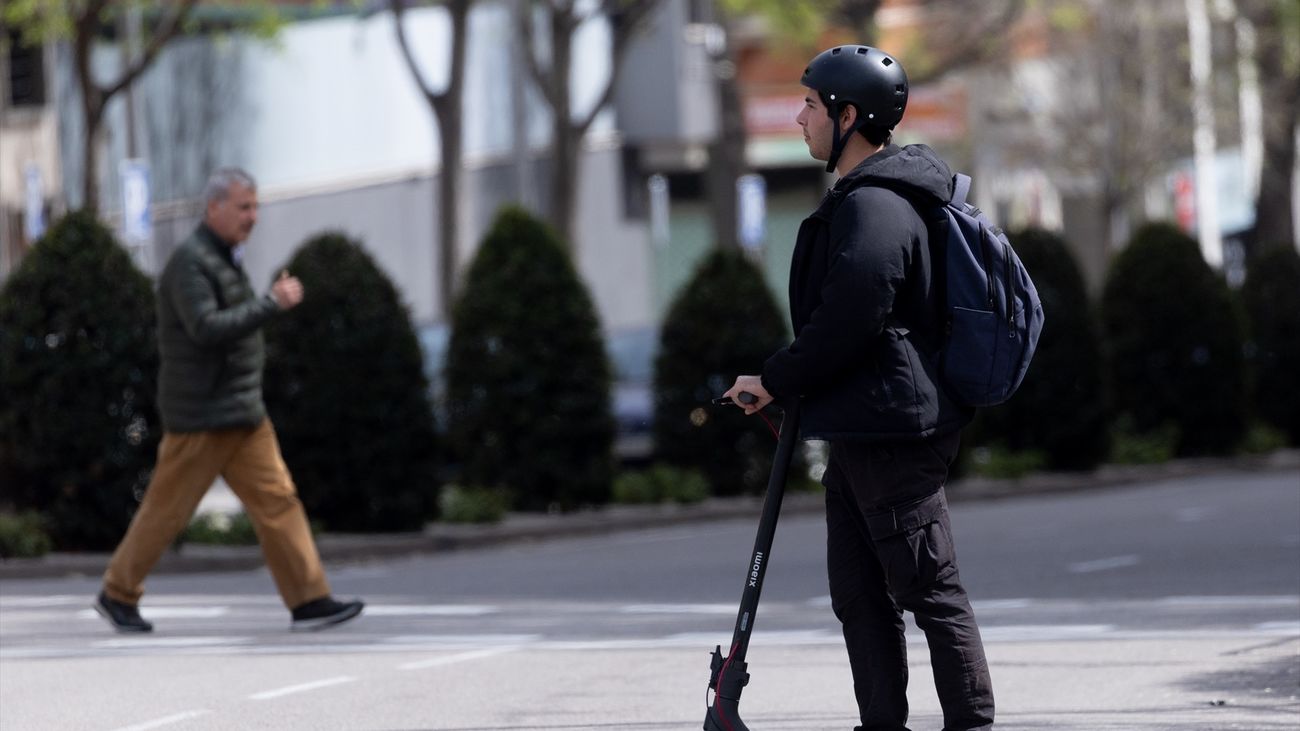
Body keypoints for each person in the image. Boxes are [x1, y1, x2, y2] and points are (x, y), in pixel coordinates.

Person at [723, 46, 995, 730]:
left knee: (929, 589)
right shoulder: (866, 197)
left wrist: (775, 378)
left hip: (893, 431)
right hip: (859, 427)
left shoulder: (877, 206)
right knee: (859, 595)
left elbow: (851, 315)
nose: (800, 118)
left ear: (849, 117)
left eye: (811, 105)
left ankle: (972, 724)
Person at [95, 168, 364, 634]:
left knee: (278, 501)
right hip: (203, 416)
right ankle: (118, 592)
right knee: (168, 510)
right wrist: (271, 303)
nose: (252, 216)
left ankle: (309, 600)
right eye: (243, 207)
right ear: (214, 207)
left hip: (240, 412)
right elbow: (206, 328)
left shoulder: (221, 259)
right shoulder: (191, 263)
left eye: (255, 207)